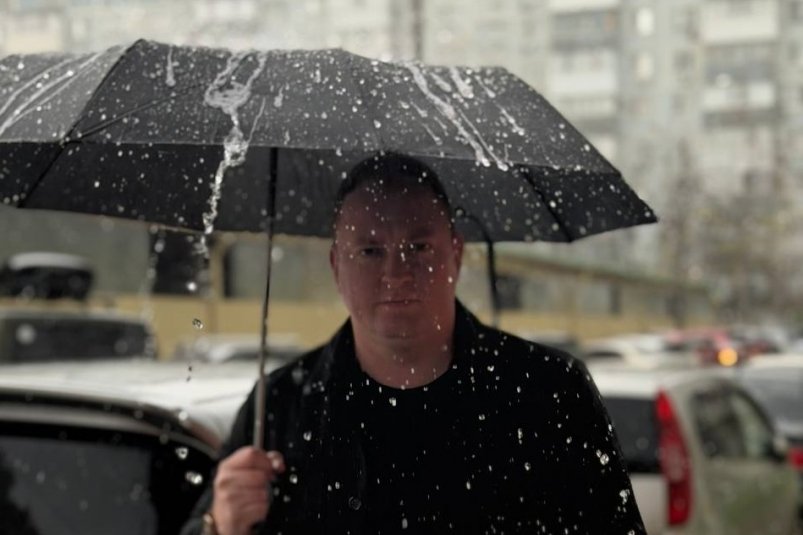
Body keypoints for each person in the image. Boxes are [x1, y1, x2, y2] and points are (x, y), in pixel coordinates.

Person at [182, 152, 646, 535]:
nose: (396, 272)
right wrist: (218, 525)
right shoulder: (280, 407)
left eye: (419, 247)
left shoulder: (549, 393)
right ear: (336, 266)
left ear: (456, 254)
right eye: (370, 251)